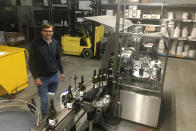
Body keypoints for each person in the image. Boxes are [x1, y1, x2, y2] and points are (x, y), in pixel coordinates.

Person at [28, 23, 65, 118]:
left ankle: (51, 112)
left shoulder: (55, 43)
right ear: (42, 32)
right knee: (44, 101)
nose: (48, 33)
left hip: (54, 77)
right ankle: (45, 117)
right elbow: (31, 63)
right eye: (46, 31)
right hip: (42, 79)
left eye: (50, 31)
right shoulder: (35, 44)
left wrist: (61, 72)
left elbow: (58, 58)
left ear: (52, 32)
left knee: (51, 98)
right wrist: (35, 78)